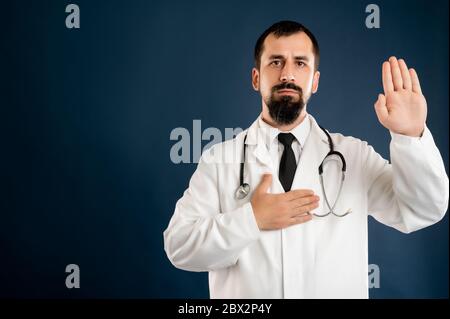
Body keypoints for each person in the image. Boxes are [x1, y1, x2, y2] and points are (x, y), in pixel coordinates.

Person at [163, 21, 449, 298]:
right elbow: (179, 246)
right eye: (275, 62)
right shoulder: (219, 160)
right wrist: (251, 220)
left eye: (300, 63)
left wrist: (410, 136)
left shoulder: (353, 156)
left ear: (315, 81)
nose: (287, 74)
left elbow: (423, 210)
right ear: (256, 78)